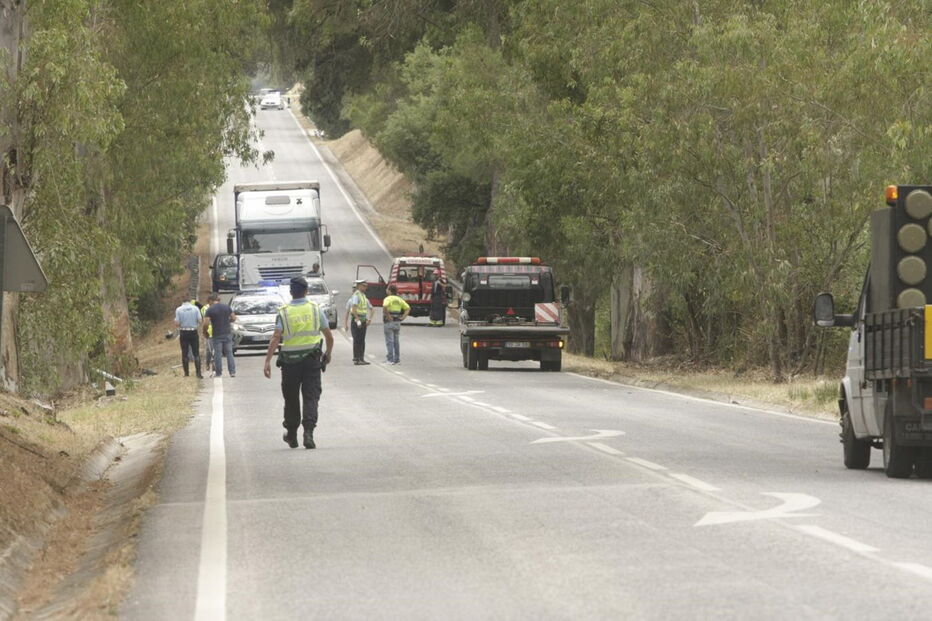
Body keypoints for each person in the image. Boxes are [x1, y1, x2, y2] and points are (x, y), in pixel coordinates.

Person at [263, 276, 334, 449]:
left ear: (290, 292)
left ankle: (292, 435)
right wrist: (328, 354)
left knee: (291, 398)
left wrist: (267, 361)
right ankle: (308, 433)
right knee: (311, 396)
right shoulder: (316, 310)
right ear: (306, 291)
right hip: (312, 361)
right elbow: (328, 335)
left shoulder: (284, 311)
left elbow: (275, 337)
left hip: (290, 363)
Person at [203, 293, 237, 378]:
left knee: (218, 354)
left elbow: (206, 323)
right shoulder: (226, 307)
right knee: (229, 353)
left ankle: (219, 373)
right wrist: (227, 321)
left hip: (217, 334)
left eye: (209, 302)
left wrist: (205, 332)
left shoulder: (210, 310)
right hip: (227, 333)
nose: (209, 304)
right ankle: (232, 372)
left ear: (211, 300)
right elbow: (234, 318)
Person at [344, 280, 373, 365]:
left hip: (363, 319)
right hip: (358, 320)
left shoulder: (363, 296)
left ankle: (361, 358)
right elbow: (353, 309)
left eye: (366, 286)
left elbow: (370, 309)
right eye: (364, 285)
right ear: (359, 286)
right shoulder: (356, 296)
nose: (365, 287)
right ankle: (357, 359)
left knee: (362, 340)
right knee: (357, 340)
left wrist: (368, 319)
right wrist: (357, 319)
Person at [174, 299, 203, 378]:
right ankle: (198, 373)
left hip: (184, 332)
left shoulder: (178, 309)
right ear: (190, 301)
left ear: (182, 302)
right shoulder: (195, 308)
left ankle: (186, 373)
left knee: (184, 353)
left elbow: (177, 323)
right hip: (193, 332)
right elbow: (200, 321)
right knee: (196, 353)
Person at [382, 284, 410, 364]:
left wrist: (388, 316)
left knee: (389, 341)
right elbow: (408, 308)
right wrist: (403, 317)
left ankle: (390, 359)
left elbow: (384, 306)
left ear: (390, 291)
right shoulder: (399, 299)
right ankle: (397, 359)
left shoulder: (388, 298)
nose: (386, 290)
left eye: (387, 289)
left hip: (389, 322)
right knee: (396, 341)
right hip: (397, 322)